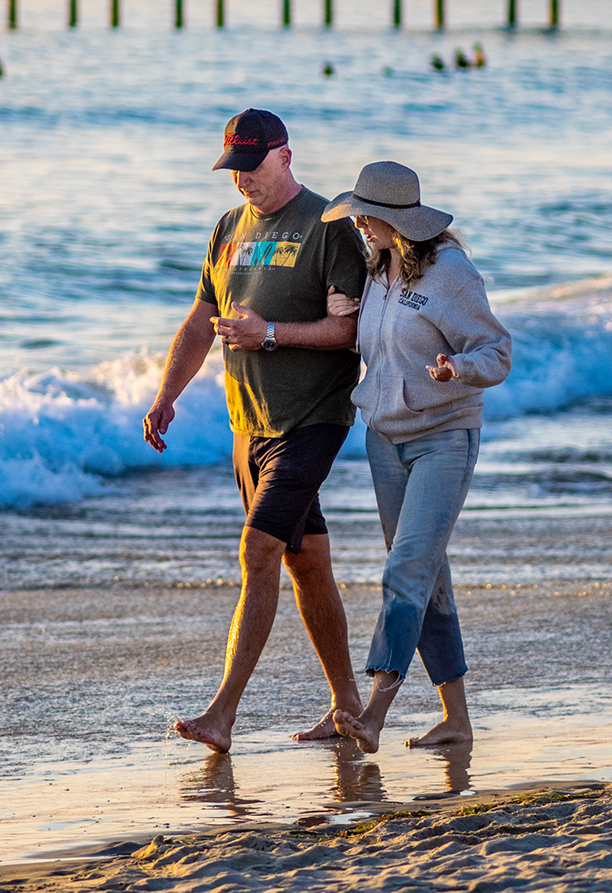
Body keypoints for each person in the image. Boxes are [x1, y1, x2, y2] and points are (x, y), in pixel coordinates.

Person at [143, 109, 367, 753]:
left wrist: (269, 334)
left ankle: (222, 715)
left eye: (252, 167)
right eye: (232, 170)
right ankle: (348, 704)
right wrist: (167, 395)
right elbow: (198, 321)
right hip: (250, 425)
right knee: (306, 560)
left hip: (312, 420)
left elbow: (349, 330)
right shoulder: (227, 229)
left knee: (258, 550)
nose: (242, 181)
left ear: (285, 155)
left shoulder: (329, 229)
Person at [321, 161, 511, 754]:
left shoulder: (451, 273)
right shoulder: (377, 268)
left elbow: (497, 351)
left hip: (444, 438)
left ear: (392, 218)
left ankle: (375, 711)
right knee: (427, 581)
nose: (356, 223)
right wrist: (339, 318)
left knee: (405, 570)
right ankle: (457, 719)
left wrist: (460, 367)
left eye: (364, 215)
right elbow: (379, 347)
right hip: (385, 440)